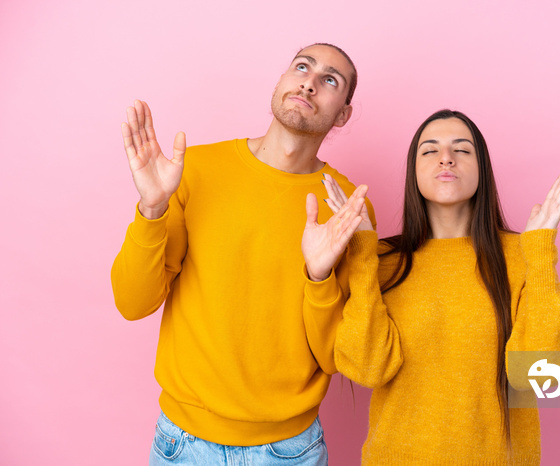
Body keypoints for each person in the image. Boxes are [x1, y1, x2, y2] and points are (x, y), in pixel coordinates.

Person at [111, 43, 375, 465]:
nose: (309, 82)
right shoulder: (193, 171)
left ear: (342, 113)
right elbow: (132, 302)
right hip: (184, 444)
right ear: (281, 82)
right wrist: (152, 209)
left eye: (330, 80)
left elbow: (333, 356)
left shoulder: (346, 208)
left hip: (291, 450)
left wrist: (319, 276)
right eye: (301, 67)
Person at [304, 109, 560, 464]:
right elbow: (367, 368)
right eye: (430, 150)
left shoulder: (521, 255)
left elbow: (539, 373)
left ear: (482, 169)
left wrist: (540, 250)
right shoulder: (383, 260)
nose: (446, 158)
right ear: (413, 171)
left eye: (462, 150)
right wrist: (361, 255)